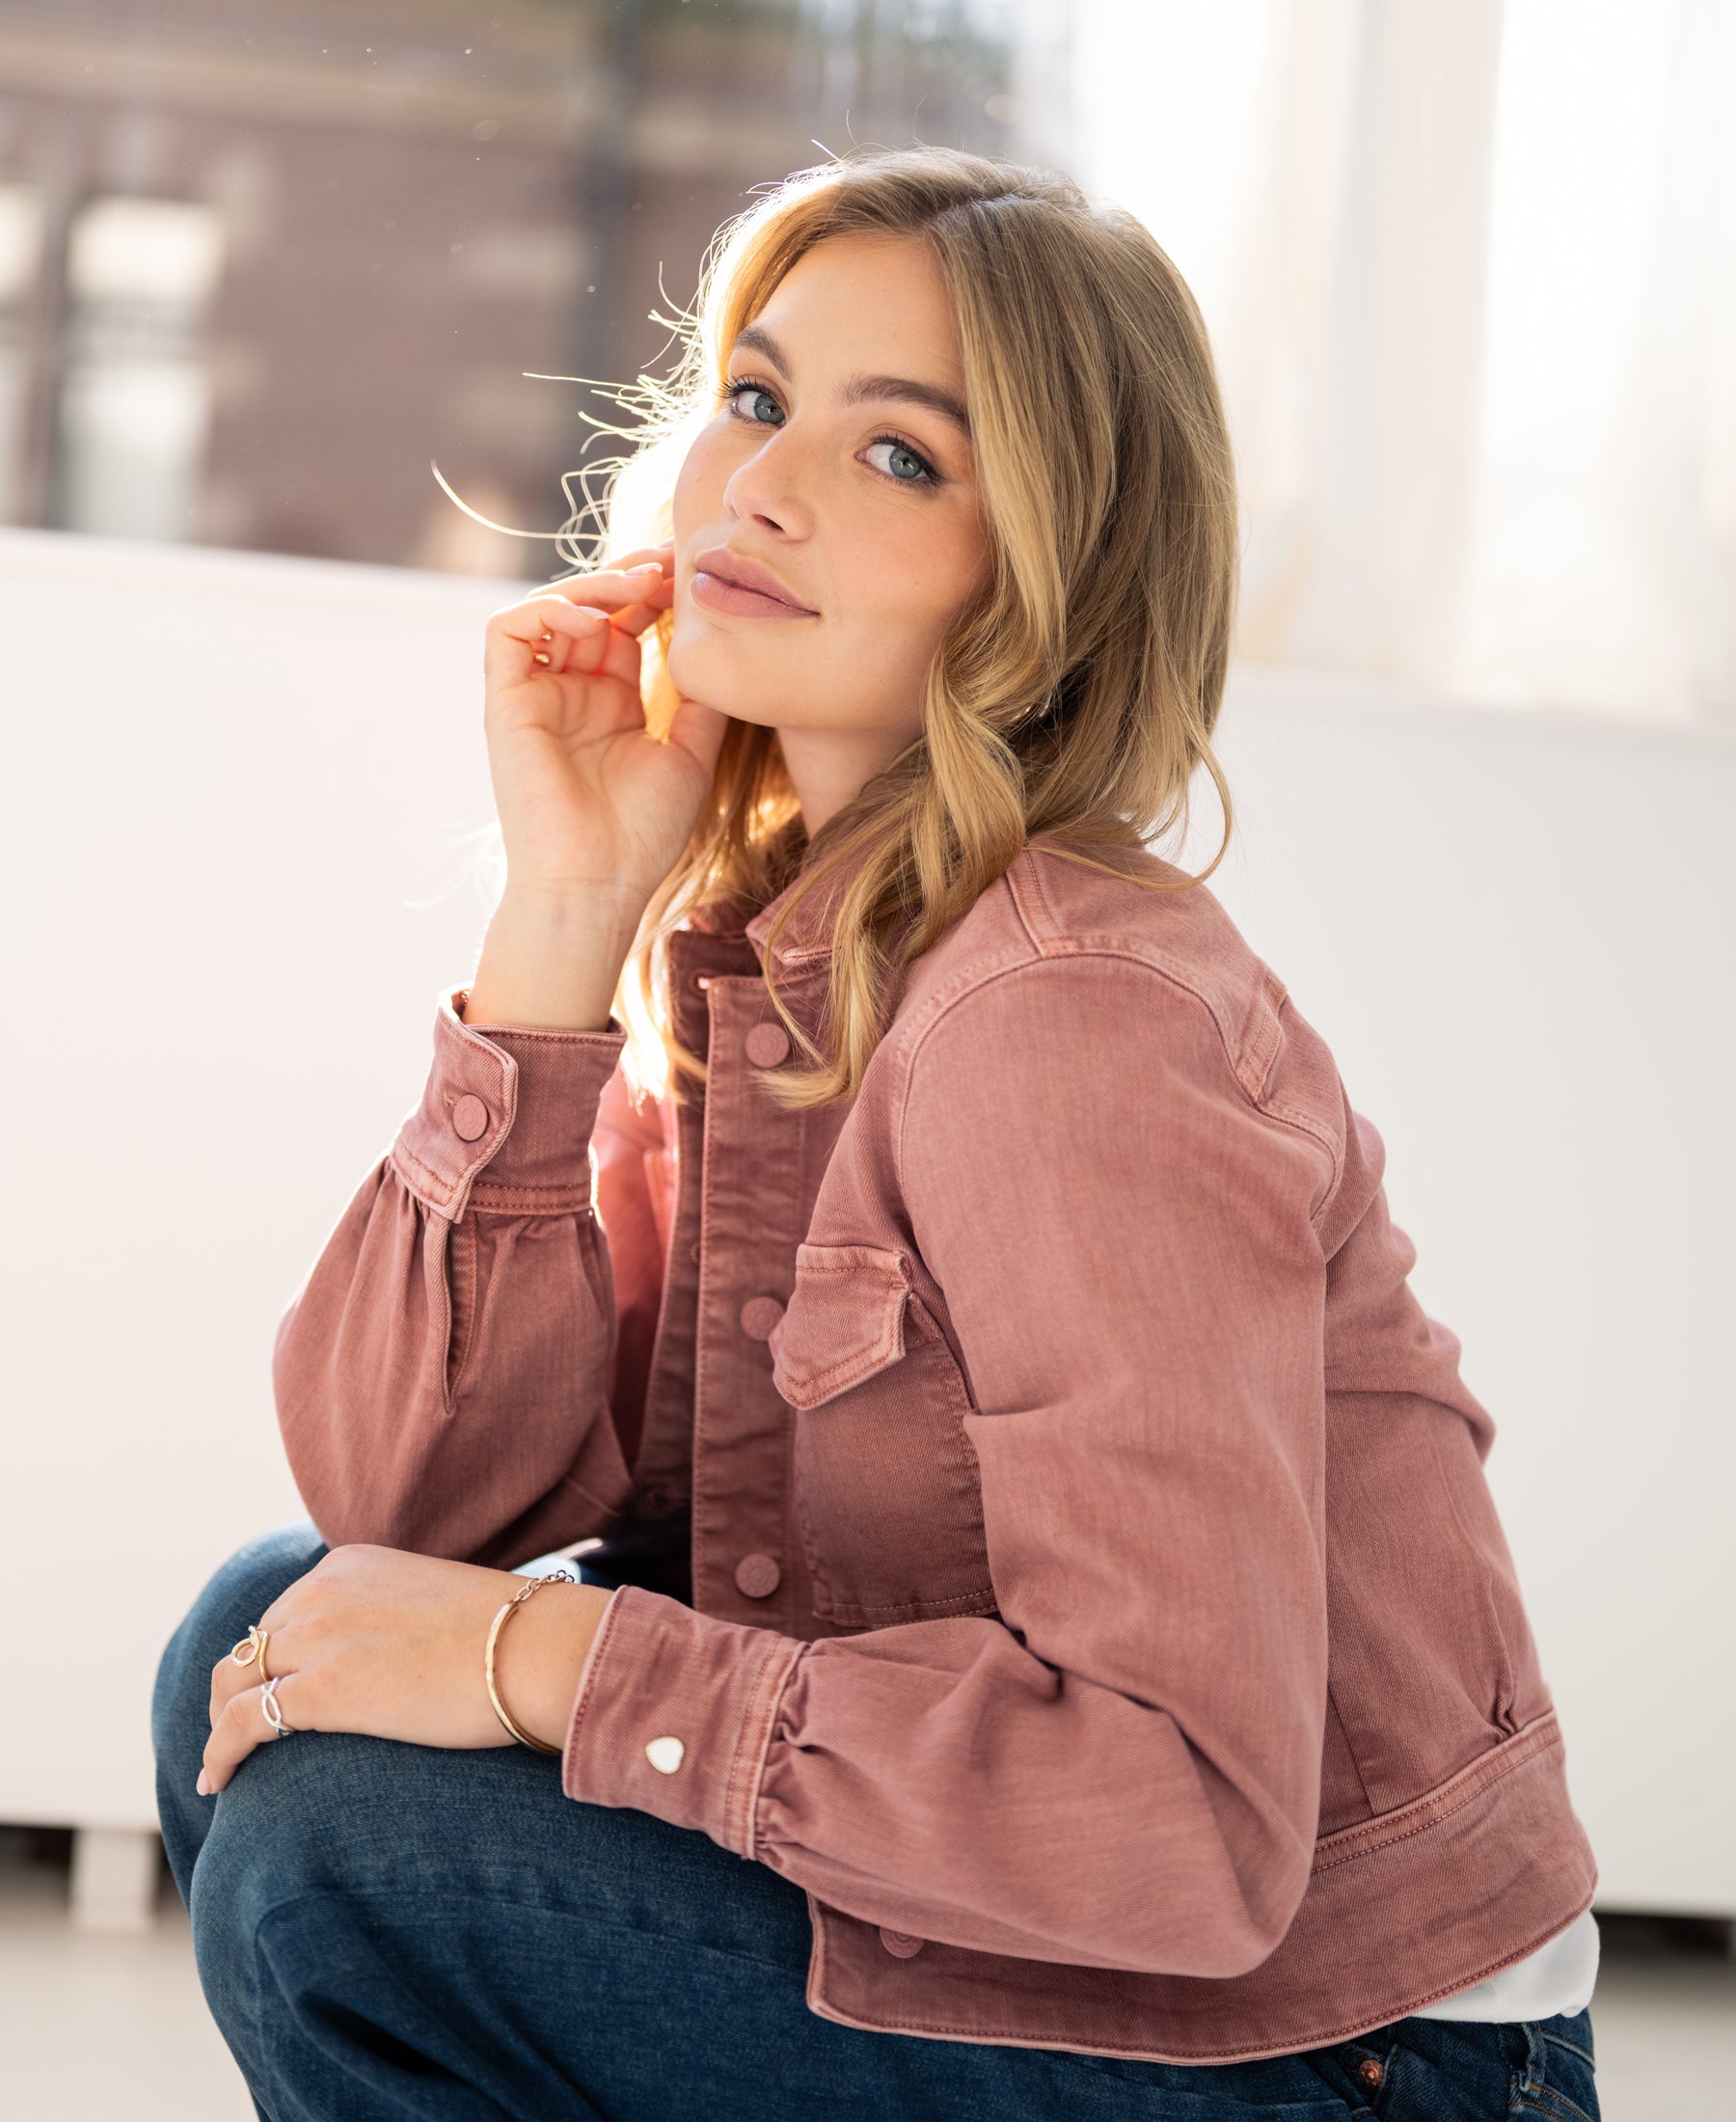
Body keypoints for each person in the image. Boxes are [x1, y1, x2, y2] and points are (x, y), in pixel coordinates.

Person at [153, 148, 1602, 2121]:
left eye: (903, 456)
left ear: (1059, 572)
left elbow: (1181, 1814)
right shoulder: (785, 951)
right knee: (258, 1638)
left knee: (344, 1860)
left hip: (1349, 2056)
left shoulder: (1065, 1019)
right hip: (1074, 1948)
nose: (761, 483)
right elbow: (409, 1504)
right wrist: (558, 926)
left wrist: (545, 1664)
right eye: (756, 398)